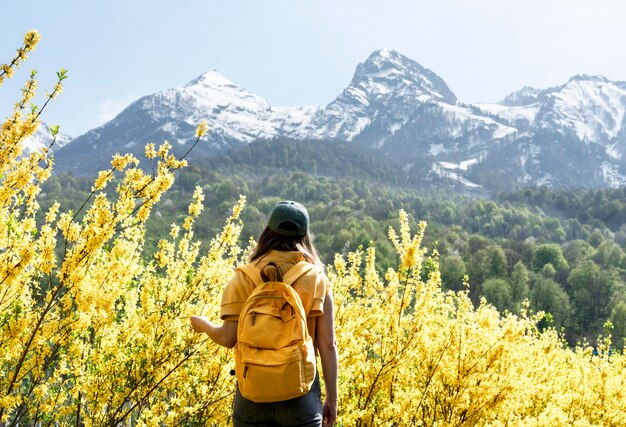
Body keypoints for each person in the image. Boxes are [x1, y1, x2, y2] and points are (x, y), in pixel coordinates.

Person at [190, 201, 338, 427]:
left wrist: (203, 325)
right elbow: (328, 345)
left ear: (268, 232)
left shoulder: (244, 277)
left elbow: (228, 338)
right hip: (300, 393)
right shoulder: (316, 279)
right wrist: (332, 398)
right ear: (305, 236)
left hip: (252, 393)